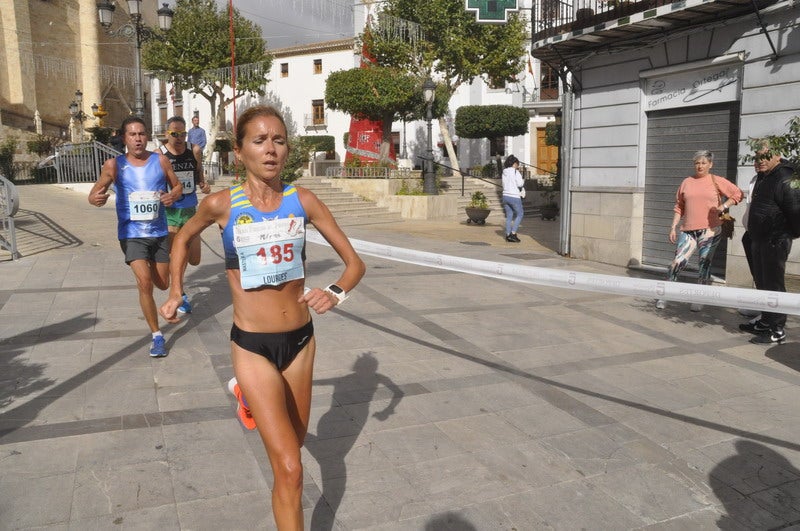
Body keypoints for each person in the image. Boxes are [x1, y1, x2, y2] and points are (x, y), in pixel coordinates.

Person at [159, 105, 366, 529]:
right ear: (239, 151)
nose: (271, 149)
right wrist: (177, 290)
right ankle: (248, 390)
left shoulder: (302, 200)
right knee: (291, 469)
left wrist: (335, 292)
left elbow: (354, 264)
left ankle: (250, 401)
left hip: (301, 343)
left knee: (291, 454)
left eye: (279, 140)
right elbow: (181, 238)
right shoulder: (222, 204)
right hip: (252, 347)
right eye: (259, 141)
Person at [88, 116, 183, 357]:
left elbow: (178, 186)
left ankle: (161, 260)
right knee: (144, 283)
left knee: (163, 283)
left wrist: (172, 196)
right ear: (124, 138)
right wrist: (96, 199)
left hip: (159, 231)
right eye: (132, 134)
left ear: (147, 136)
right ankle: (157, 335)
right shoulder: (114, 165)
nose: (138, 139)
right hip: (131, 234)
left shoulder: (160, 160)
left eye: (141, 134)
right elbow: (94, 193)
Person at [655, 150, 743, 311]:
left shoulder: (716, 180)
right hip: (688, 230)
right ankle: (665, 294)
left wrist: (724, 206)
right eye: (697, 162)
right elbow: (679, 206)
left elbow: (737, 194)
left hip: (710, 230)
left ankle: (698, 297)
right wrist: (673, 226)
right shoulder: (686, 182)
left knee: (704, 264)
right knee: (677, 262)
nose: (700, 166)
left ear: (710, 164)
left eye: (703, 162)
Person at [738, 142, 800, 344]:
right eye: (757, 157)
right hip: (758, 238)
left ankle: (777, 328)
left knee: (774, 284)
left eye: (765, 156)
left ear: (778, 156)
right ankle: (766, 321)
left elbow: (795, 212)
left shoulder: (785, 177)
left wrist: (785, 236)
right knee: (763, 283)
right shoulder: (765, 177)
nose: (760, 161)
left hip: (775, 240)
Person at [160, 116, 212, 314]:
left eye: (183, 133)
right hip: (171, 212)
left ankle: (176, 288)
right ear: (167, 134)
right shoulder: (161, 155)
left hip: (191, 210)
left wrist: (203, 184)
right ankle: (178, 294)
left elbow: (199, 173)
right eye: (175, 134)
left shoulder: (195, 150)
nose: (179, 137)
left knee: (194, 259)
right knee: (177, 256)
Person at [501, 154, 525, 242]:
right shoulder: (516, 172)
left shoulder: (504, 172)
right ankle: (513, 233)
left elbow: (503, 184)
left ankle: (507, 235)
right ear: (514, 163)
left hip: (505, 196)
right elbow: (520, 184)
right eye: (517, 164)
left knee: (509, 216)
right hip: (514, 196)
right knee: (520, 214)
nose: (518, 166)